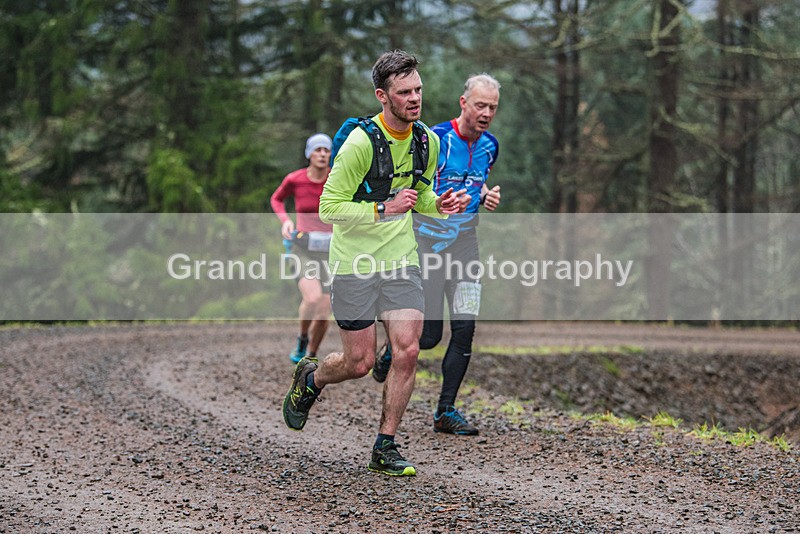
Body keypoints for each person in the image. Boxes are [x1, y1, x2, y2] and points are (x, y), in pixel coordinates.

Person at [281, 50, 469, 477]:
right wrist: (383, 208)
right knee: (360, 363)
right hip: (354, 263)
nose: (415, 99)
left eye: (418, 89)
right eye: (404, 92)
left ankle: (385, 445)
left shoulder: (427, 141)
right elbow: (329, 207)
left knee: (407, 350)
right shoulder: (360, 144)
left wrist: (438, 205)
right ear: (383, 96)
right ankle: (311, 379)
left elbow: (419, 194)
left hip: (401, 260)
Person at [373, 73, 502, 437]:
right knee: (428, 336)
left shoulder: (491, 145)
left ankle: (446, 410)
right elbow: (413, 185)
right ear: (464, 103)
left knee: (465, 328)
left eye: (492, 107)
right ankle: (390, 351)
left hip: (465, 246)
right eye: (480, 105)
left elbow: (475, 181)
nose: (486, 113)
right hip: (427, 243)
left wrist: (485, 196)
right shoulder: (435, 138)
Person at [270, 133, 333, 363]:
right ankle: (303, 337)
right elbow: (276, 199)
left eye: (326, 150)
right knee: (313, 298)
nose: (322, 154)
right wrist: (286, 221)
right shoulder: (295, 179)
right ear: (309, 154)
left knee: (324, 312)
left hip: (331, 251)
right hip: (303, 248)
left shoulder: (336, 179)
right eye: (317, 150)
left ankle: (311, 357)